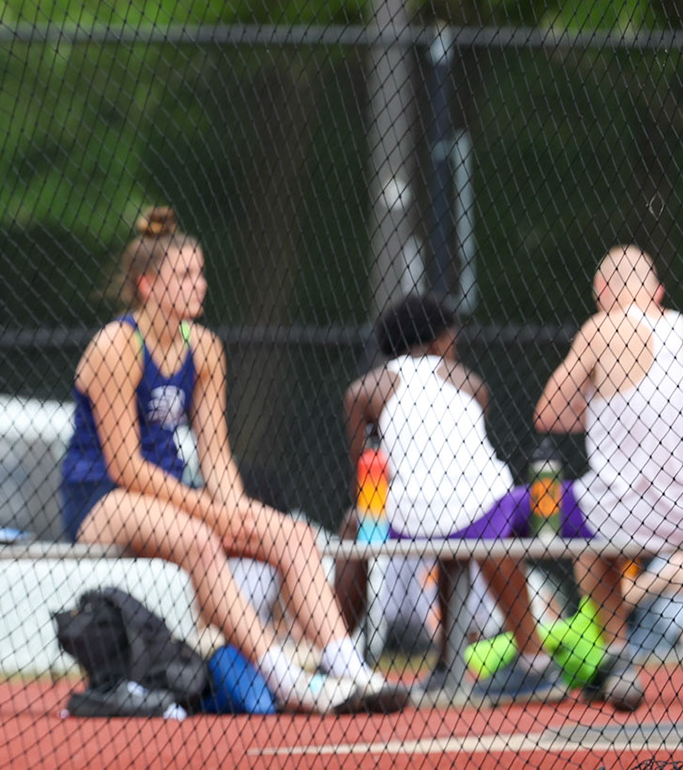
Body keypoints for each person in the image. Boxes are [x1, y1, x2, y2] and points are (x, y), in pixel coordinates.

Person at [59, 207, 407, 715]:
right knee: (201, 538)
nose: (199, 285)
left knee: (291, 535)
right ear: (148, 285)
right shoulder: (117, 345)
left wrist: (238, 513)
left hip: (166, 500)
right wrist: (214, 515)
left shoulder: (204, 348)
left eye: (200, 273)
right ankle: (286, 681)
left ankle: (350, 670)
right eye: (184, 275)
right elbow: (125, 467)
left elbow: (216, 455)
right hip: (101, 501)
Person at [334, 294, 562, 702]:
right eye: (451, 336)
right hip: (484, 509)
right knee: (474, 517)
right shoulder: (471, 384)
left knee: (356, 524)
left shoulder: (364, 391)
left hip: (410, 518)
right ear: (437, 340)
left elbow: (362, 479)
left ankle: (333, 655)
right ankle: (534, 660)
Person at [530, 244, 682, 712]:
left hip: (622, 511)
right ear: (657, 292)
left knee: (578, 527)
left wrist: (597, 405)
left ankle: (617, 658)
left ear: (602, 292)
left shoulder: (603, 328)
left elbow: (549, 412)